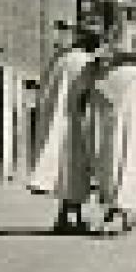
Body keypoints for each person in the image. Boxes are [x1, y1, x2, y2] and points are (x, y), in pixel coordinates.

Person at [26, 25, 104, 235]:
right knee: (76, 172)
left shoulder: (61, 60)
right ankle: (74, 219)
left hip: (59, 122)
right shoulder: (85, 63)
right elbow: (86, 94)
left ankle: (64, 217)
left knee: (65, 172)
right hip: (75, 124)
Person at [90, 49, 136, 237]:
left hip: (111, 130)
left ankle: (116, 211)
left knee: (112, 165)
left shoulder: (108, 78)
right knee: (131, 165)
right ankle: (125, 211)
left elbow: (96, 101)